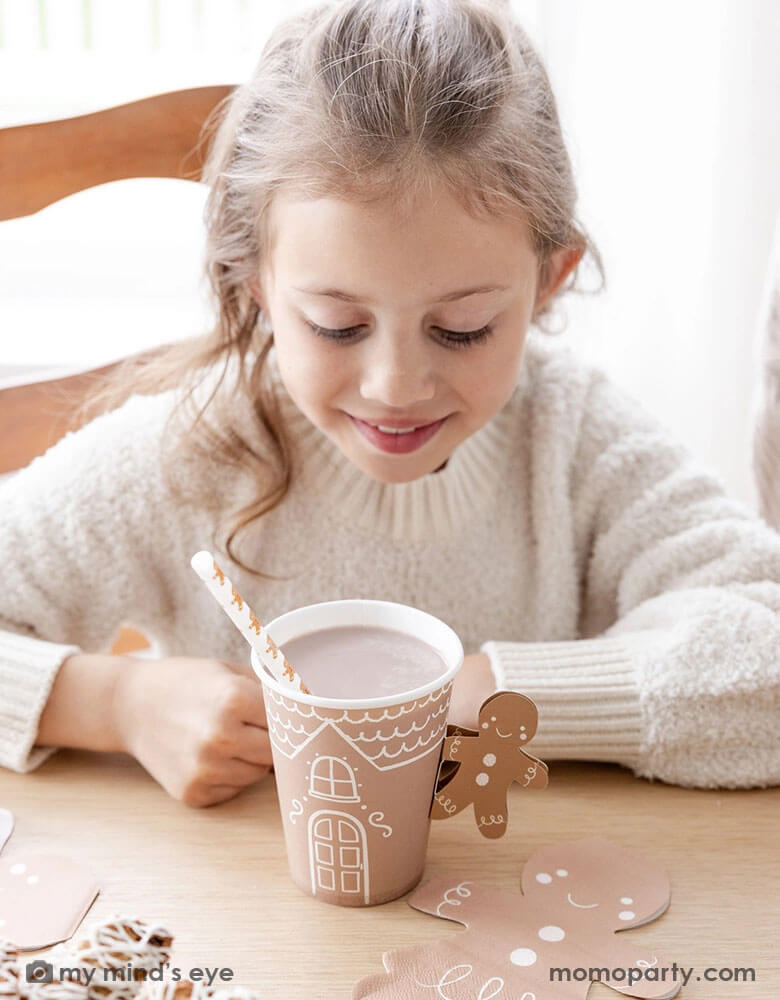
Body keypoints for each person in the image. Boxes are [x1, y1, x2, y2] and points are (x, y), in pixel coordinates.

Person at [2, 0, 779, 807]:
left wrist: (491, 697)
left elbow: (765, 649)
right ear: (256, 282)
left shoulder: (573, 438)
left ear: (549, 280)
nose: (396, 387)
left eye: (462, 328)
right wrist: (115, 704)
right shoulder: (190, 450)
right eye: (338, 325)